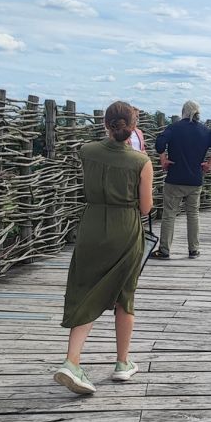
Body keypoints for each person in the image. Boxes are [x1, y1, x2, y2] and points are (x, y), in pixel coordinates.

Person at [54, 101, 154, 395]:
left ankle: (72, 361)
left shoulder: (87, 151)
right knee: (125, 294)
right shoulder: (140, 162)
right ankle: (122, 364)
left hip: (92, 224)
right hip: (125, 229)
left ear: (105, 124)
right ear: (134, 128)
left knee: (85, 288)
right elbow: (147, 208)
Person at [151, 100, 211, 259]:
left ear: (183, 112)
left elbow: (159, 143)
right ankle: (194, 249)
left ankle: (164, 250)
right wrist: (209, 165)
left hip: (174, 178)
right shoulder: (205, 131)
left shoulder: (174, 128)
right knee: (193, 214)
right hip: (195, 179)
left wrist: (163, 159)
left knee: (169, 214)